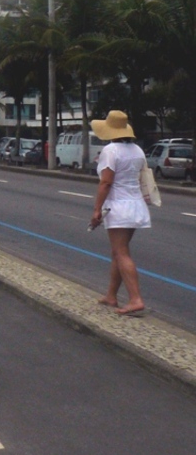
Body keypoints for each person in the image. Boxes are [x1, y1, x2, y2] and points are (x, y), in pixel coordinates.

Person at [89, 110, 150, 317]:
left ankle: (135, 299)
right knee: (118, 250)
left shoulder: (111, 150)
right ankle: (111, 295)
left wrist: (97, 208)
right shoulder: (137, 150)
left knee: (121, 252)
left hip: (118, 206)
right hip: (135, 205)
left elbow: (106, 182)